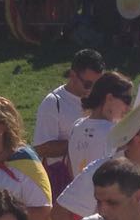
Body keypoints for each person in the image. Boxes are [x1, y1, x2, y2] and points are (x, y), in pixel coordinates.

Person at [32, 49, 105, 199]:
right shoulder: (53, 103)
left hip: (94, 180)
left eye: (98, 85)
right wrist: (81, 142)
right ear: (72, 75)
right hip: (64, 182)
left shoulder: (101, 99)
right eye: (88, 84)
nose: (93, 90)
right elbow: (42, 148)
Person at [68, 70, 133, 176]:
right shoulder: (115, 132)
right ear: (109, 98)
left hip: (79, 190)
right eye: (127, 100)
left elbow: (70, 169)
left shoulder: (76, 126)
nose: (128, 107)